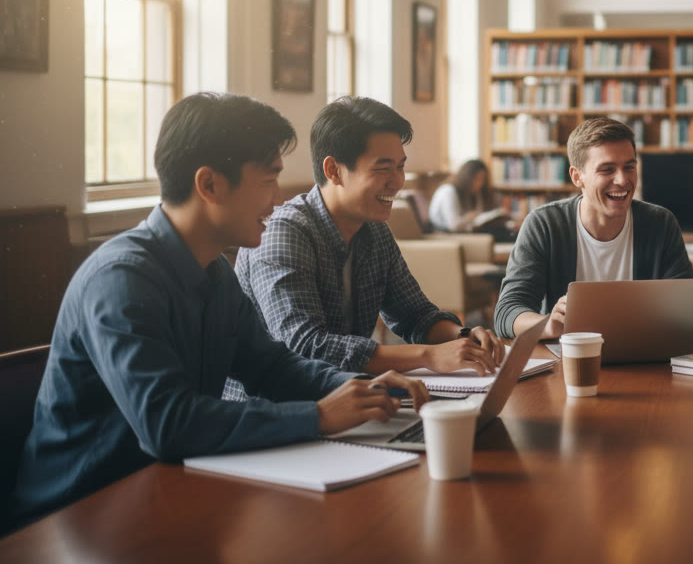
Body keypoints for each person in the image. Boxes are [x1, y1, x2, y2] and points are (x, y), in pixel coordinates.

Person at [9, 94, 428, 524]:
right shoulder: (120, 280)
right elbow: (167, 425)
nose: (276, 200)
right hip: (76, 513)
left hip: (166, 490)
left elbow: (272, 366)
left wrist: (360, 386)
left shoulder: (213, 272)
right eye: (268, 180)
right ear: (209, 185)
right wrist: (319, 415)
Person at [231, 96, 504, 394]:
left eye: (400, 167)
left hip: (351, 398)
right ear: (334, 170)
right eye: (382, 169)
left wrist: (462, 337)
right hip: (273, 411)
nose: (397, 182)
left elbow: (415, 315)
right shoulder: (284, 233)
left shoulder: (375, 232)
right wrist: (429, 356)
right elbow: (306, 347)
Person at [492, 117, 693, 339]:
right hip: (568, 363)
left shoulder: (661, 223)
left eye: (629, 167)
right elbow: (507, 313)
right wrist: (548, 325)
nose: (622, 180)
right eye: (607, 170)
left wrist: (681, 325)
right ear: (577, 177)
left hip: (644, 362)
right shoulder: (544, 224)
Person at [428, 159, 501, 232]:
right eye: (477, 178)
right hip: (443, 233)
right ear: (467, 177)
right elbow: (453, 226)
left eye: (482, 179)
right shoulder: (448, 191)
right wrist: (469, 218)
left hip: (461, 231)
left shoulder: (468, 193)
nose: (480, 183)